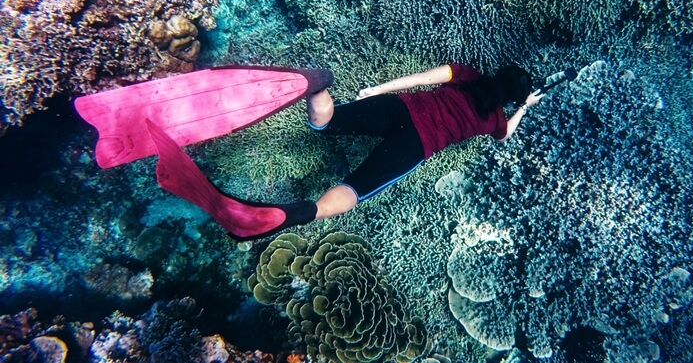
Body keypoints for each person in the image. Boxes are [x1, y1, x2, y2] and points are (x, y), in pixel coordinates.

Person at [148, 63, 544, 240]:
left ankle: (317, 84)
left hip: (401, 107)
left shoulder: (468, 73)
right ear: (508, 98)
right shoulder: (493, 118)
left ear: (497, 74)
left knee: (326, 121)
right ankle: (299, 212)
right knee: (355, 190)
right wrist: (525, 107)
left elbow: (426, 77)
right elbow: (506, 132)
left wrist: (379, 89)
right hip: (416, 145)